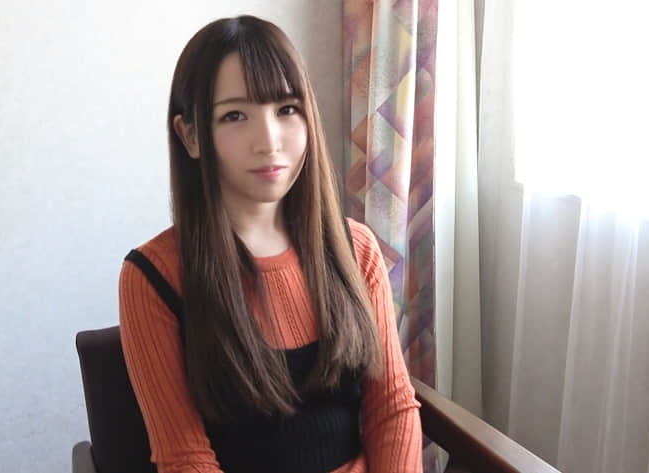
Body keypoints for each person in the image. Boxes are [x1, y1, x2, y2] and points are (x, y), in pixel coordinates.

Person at [118, 15, 423, 473]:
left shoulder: (356, 248)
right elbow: (184, 457)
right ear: (191, 135)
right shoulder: (153, 277)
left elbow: (392, 407)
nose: (269, 141)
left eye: (286, 109)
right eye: (235, 116)